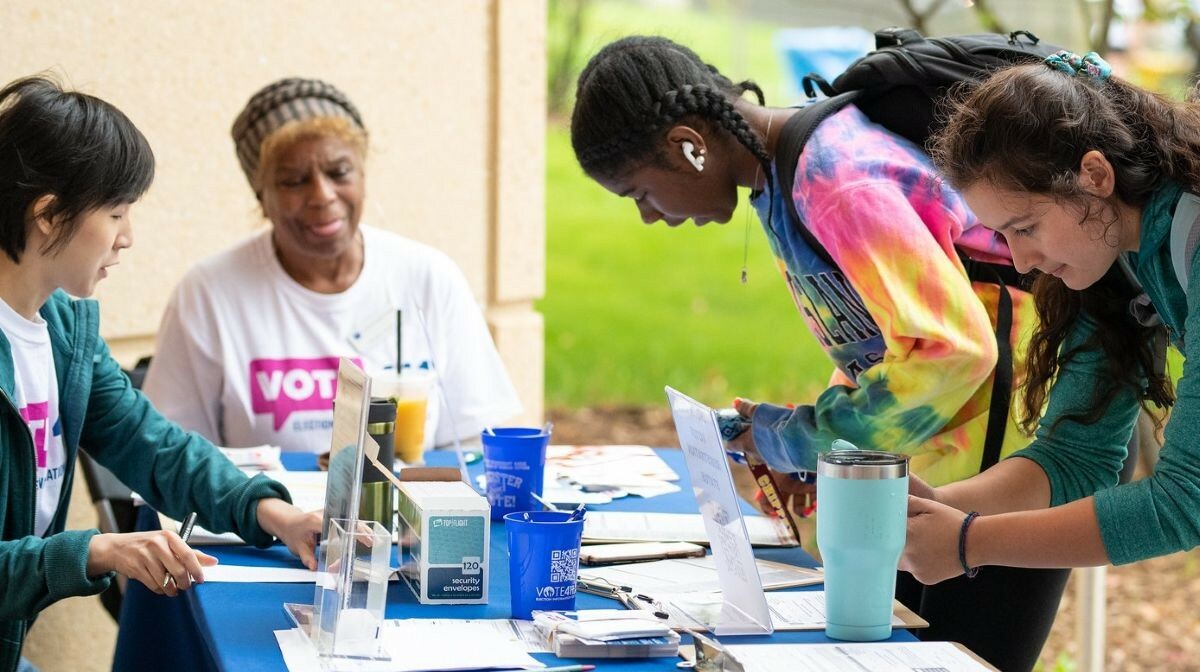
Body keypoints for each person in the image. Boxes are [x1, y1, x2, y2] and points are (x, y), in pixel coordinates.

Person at [570, 36, 1067, 671]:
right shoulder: (782, 182)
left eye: (638, 193)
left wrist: (798, 440)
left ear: (686, 145)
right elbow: (879, 346)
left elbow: (953, 350)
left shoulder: (837, 179)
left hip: (1010, 465)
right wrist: (811, 442)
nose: (649, 216)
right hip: (946, 465)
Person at [0, 76, 322, 672]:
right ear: (48, 215)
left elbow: (151, 444)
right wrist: (95, 552)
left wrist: (271, 512)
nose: (126, 239)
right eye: (116, 212)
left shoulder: (64, 330)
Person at [903, 50, 1194, 585]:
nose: (1019, 261)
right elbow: (1074, 458)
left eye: (1027, 227)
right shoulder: (1115, 254)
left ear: (1095, 174)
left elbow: (1184, 500)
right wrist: (928, 512)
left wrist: (968, 542)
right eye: (1002, 235)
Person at [142, 77, 521, 455]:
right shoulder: (210, 293)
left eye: (339, 172)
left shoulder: (427, 278)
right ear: (262, 196)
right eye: (294, 181)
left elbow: (482, 441)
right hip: (263, 514)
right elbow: (172, 455)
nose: (322, 196)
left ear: (362, 174)